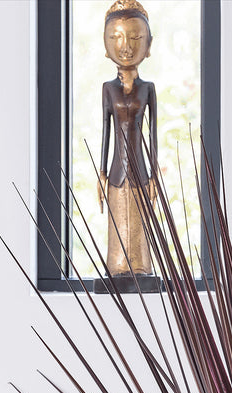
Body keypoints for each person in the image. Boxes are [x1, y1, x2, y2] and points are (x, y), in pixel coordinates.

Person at [98, 0, 158, 277]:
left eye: (135, 38)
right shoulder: (108, 89)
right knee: (117, 220)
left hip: (141, 170)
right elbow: (105, 132)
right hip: (116, 171)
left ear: (148, 44)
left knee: (140, 221)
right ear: (106, 43)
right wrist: (100, 173)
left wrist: (155, 174)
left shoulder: (148, 89)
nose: (126, 46)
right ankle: (117, 266)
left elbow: (153, 133)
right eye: (117, 38)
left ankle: (141, 266)